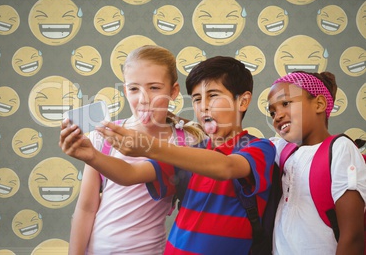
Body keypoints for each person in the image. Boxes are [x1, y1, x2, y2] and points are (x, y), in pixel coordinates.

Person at [96, 56, 276, 254]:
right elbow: (129, 174)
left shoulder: (260, 148)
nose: (203, 106)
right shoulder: (189, 152)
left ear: (243, 101)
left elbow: (226, 167)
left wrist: (149, 146)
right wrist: (89, 156)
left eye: (213, 95)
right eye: (197, 99)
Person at [59, 45, 205, 255]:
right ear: (125, 90)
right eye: (134, 89)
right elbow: (86, 207)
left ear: (173, 91)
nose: (144, 98)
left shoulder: (187, 141)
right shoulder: (103, 136)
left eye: (154, 88)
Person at [266, 71, 366, 255]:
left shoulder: (340, 149)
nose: (277, 116)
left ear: (319, 104)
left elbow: (352, 236)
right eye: (272, 112)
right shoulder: (282, 149)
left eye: (285, 103)